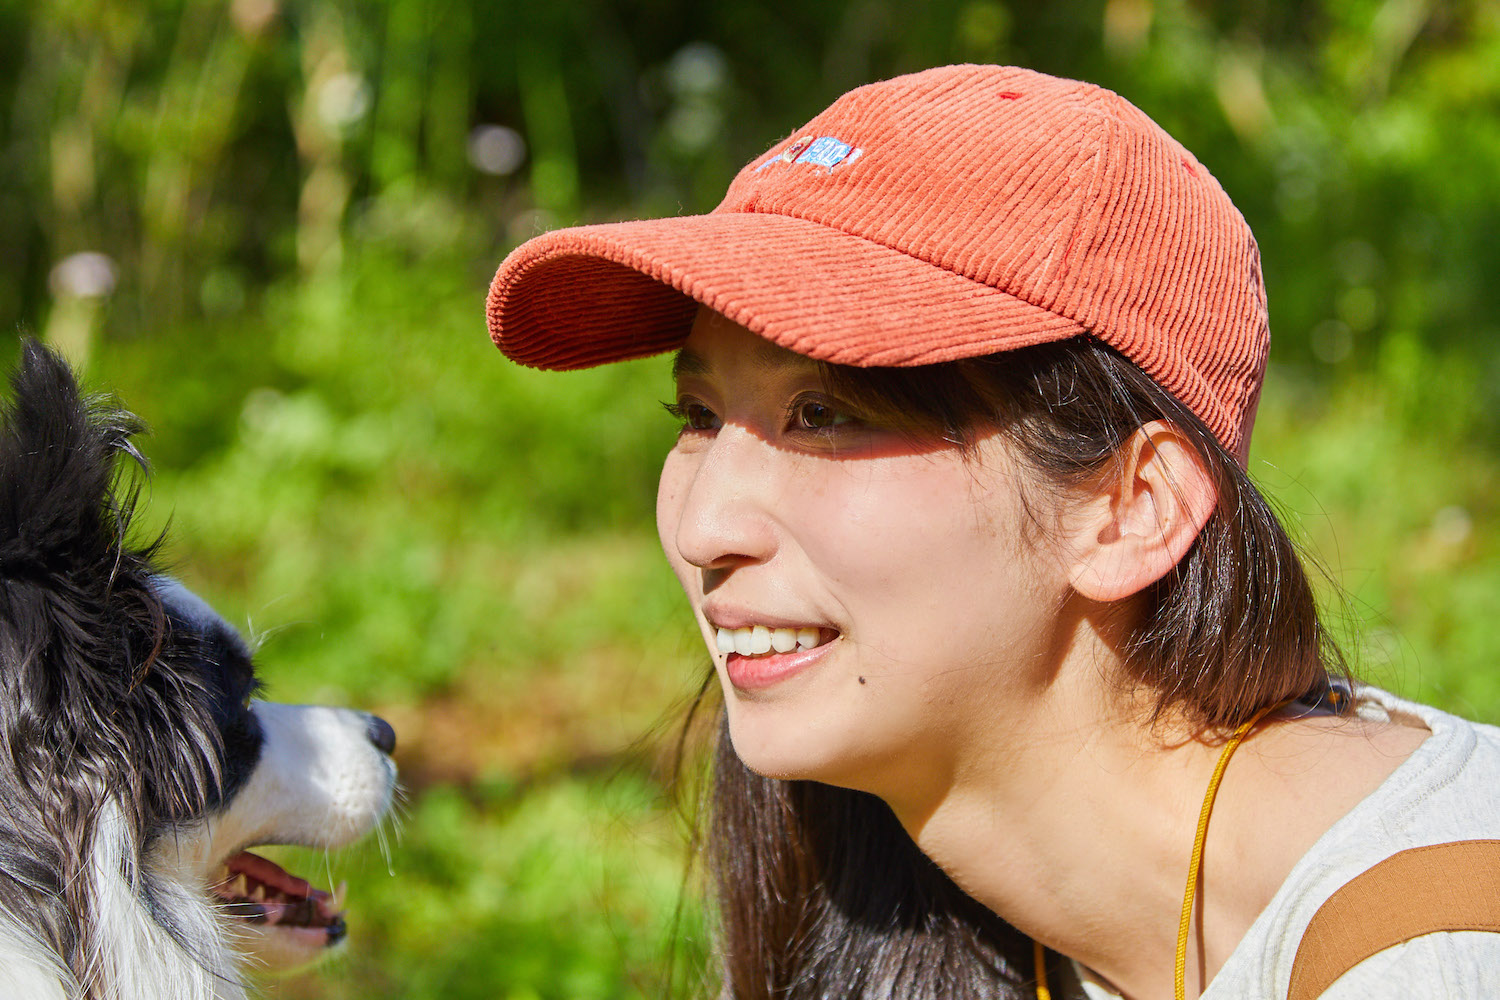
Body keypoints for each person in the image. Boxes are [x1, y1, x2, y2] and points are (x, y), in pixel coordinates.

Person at [482, 65, 1500, 1000]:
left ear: (1132, 507)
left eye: (825, 414)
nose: (704, 527)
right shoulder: (974, 906)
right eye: (701, 417)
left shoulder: (1435, 959)